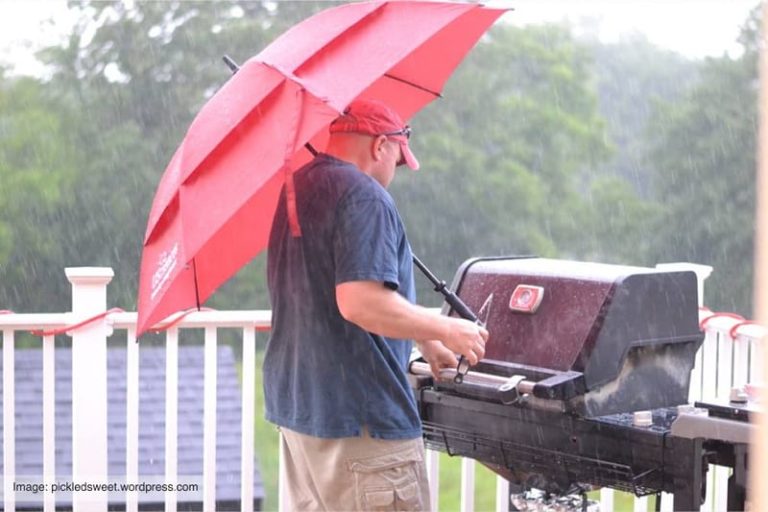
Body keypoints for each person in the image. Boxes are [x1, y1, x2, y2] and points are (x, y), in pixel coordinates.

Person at [263, 99, 489, 511]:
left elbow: (324, 296)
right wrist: (446, 328)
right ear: (380, 145)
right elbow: (359, 302)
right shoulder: (364, 196)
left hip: (303, 412)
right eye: (399, 161)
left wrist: (423, 340)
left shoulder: (297, 188)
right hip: (363, 425)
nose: (393, 176)